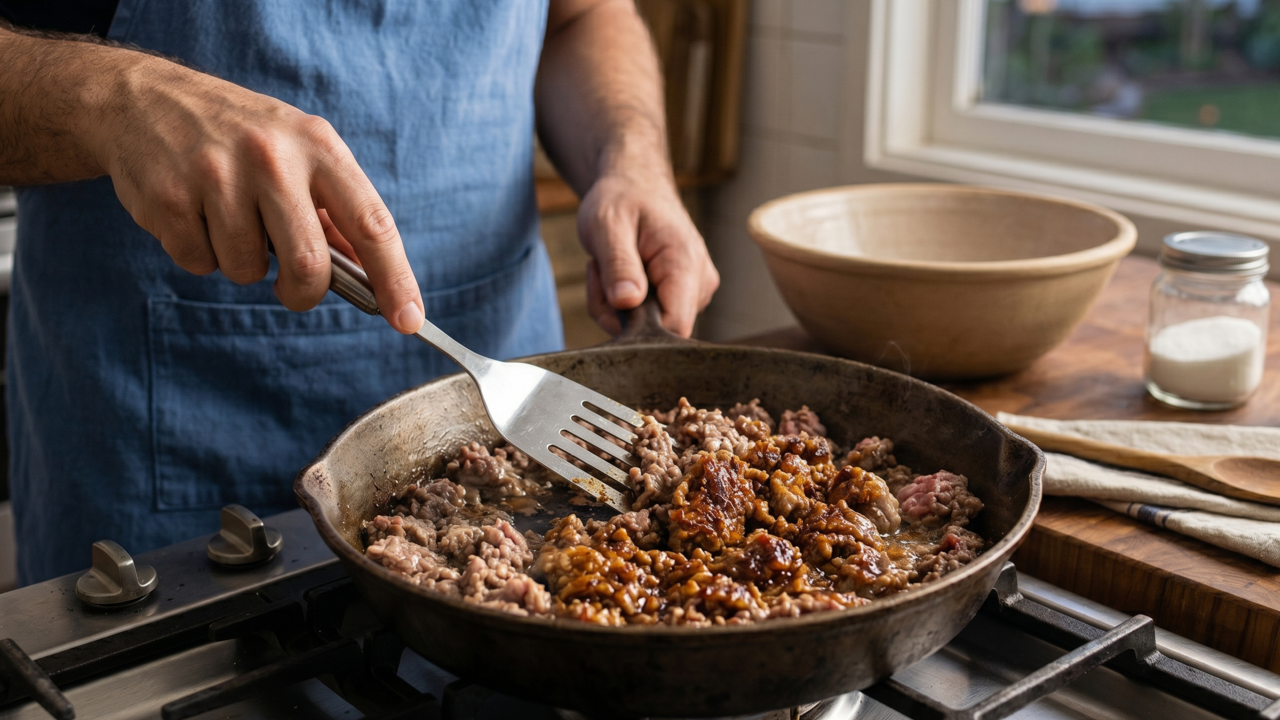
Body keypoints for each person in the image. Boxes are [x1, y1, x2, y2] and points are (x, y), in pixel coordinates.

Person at [0, 0, 720, 584]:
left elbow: (580, 17)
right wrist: (119, 98)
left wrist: (629, 155)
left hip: (516, 425)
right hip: (167, 445)